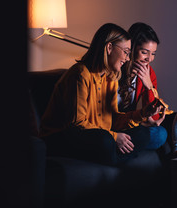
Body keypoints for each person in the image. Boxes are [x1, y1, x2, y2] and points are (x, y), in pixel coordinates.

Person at [39, 23, 163, 166]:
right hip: (63, 136)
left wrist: (141, 114)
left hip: (97, 134)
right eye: (126, 52)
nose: (128, 59)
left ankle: (111, 157)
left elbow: (113, 119)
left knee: (142, 134)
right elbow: (76, 124)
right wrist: (115, 137)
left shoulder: (110, 78)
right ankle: (116, 158)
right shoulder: (80, 74)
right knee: (105, 140)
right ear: (109, 48)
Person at [118, 22, 167, 150]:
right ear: (131, 48)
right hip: (109, 126)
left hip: (128, 126)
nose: (149, 59)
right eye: (144, 52)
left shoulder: (149, 73)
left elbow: (154, 117)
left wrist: (148, 86)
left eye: (153, 54)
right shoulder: (116, 67)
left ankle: (124, 150)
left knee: (160, 134)